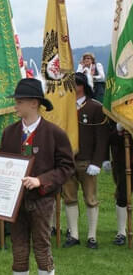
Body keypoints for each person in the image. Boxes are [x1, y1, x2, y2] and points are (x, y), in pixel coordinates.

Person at [0, 78, 74, 275]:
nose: (15, 105)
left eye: (19, 101)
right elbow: (3, 166)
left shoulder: (54, 133)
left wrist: (41, 180)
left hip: (42, 201)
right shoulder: (9, 133)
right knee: (19, 249)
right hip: (15, 202)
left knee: (42, 247)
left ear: (34, 103)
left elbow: (67, 167)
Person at [62, 73, 109, 249]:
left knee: (90, 199)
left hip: (87, 161)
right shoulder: (64, 108)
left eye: (77, 84)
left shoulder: (95, 107)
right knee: (69, 198)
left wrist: (97, 162)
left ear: (83, 86)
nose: (74, 87)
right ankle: (73, 234)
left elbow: (102, 137)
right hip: (67, 160)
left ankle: (92, 236)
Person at [108, 121, 132, 246]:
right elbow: (110, 139)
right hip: (123, 162)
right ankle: (121, 232)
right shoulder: (116, 112)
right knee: (122, 196)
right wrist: (118, 130)